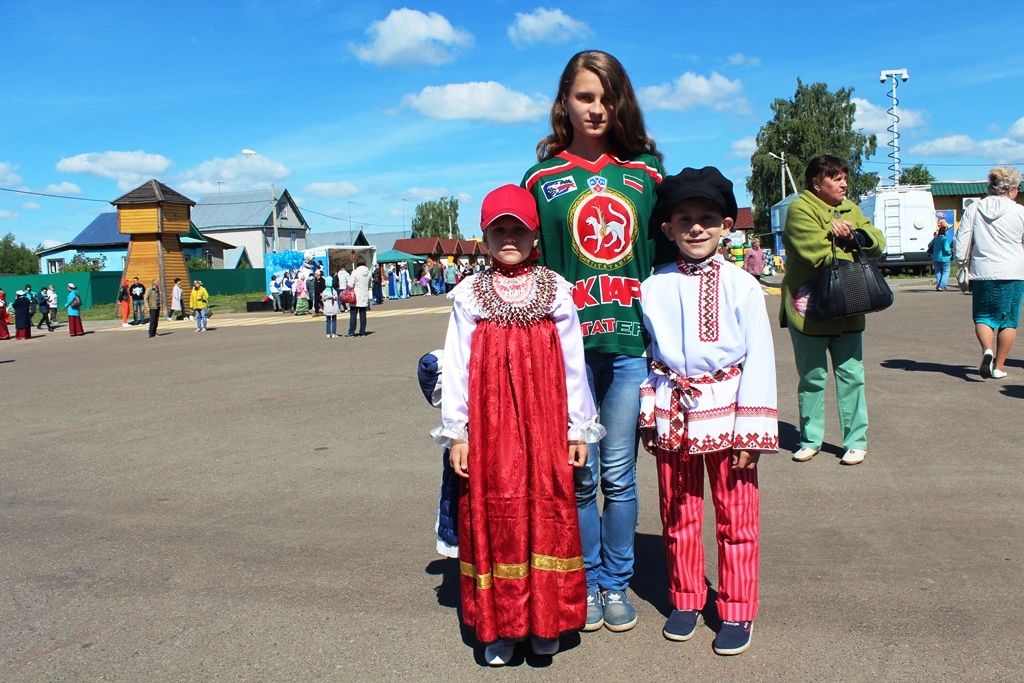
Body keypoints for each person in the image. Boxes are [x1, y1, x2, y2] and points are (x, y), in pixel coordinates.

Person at [521, 49, 664, 632]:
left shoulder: (647, 174)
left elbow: (659, 262)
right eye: (585, 97)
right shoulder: (541, 180)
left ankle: (615, 582)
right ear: (565, 102)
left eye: (608, 98)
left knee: (618, 474)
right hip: (566, 354)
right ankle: (579, 581)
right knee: (577, 477)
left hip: (629, 348)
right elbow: (527, 265)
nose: (597, 108)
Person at [435, 184, 603, 666]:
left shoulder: (555, 289)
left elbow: (574, 363)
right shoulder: (469, 294)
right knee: (497, 509)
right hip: (491, 425)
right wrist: (458, 432)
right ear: (485, 237)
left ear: (534, 236)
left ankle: (545, 621)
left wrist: (579, 427)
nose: (509, 238)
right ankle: (502, 627)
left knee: (547, 505)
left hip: (547, 418)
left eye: (518, 229)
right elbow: (457, 362)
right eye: (499, 230)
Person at [639, 166, 778, 656]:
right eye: (685, 219)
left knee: (736, 517)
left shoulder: (742, 285)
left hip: (730, 411)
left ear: (726, 225)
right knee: (678, 512)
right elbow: (649, 357)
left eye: (707, 218)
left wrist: (751, 433)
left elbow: (759, 356)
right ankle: (685, 597)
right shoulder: (653, 285)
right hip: (674, 410)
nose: (696, 228)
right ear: (668, 229)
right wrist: (649, 416)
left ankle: (738, 607)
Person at [780, 154, 885, 466]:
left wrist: (854, 234)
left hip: (850, 304)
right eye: (836, 178)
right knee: (812, 377)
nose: (844, 183)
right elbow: (811, 250)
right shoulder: (801, 208)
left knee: (852, 375)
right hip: (810, 308)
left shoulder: (851, 208)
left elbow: (877, 242)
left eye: (844, 177)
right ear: (817, 182)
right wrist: (837, 236)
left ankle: (855, 441)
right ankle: (810, 439)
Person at [955, 166, 1024, 380]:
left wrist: (961, 262)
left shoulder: (974, 208)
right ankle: (999, 366)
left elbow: (962, 241)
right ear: (1012, 188)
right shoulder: (1020, 211)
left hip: (982, 272)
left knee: (983, 316)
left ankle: (987, 350)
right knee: (1008, 321)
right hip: (1013, 271)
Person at [346, 257, 371, 337]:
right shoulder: (369, 272)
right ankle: (362, 332)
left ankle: (351, 332)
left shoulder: (355, 272)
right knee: (363, 315)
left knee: (353, 315)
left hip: (355, 296)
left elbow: (350, 284)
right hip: (364, 295)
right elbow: (369, 284)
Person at [927, 223, 953, 291]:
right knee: (946, 272)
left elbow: (929, 245)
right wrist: (950, 252)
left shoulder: (935, 239)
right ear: (945, 232)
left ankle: (939, 285)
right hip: (944, 259)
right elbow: (946, 249)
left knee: (938, 273)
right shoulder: (945, 239)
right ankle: (941, 286)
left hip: (935, 258)